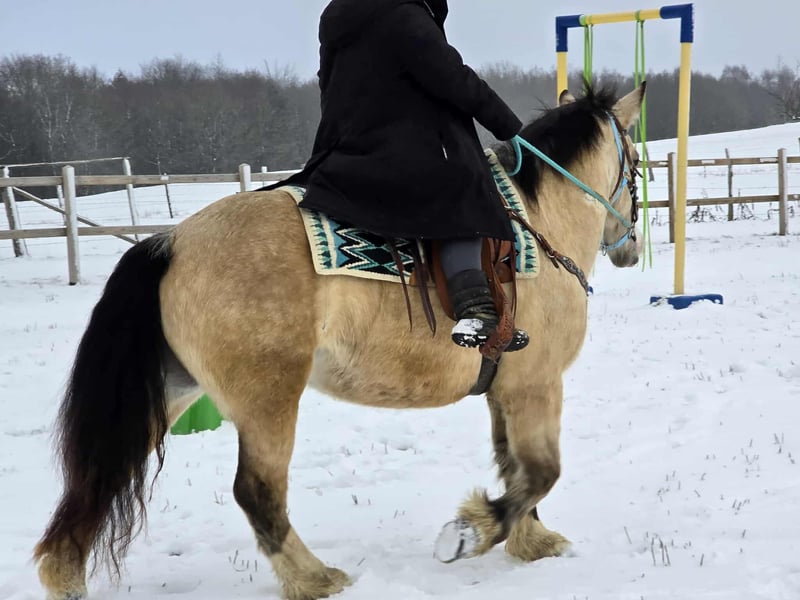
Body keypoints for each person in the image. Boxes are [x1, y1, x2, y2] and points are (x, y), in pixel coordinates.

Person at [286, 0, 529, 351]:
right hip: (398, 152)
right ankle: (476, 307)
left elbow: (328, 84)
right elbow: (452, 77)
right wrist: (508, 127)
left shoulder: (336, 14)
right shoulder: (402, 13)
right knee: (464, 189)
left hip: (343, 152)